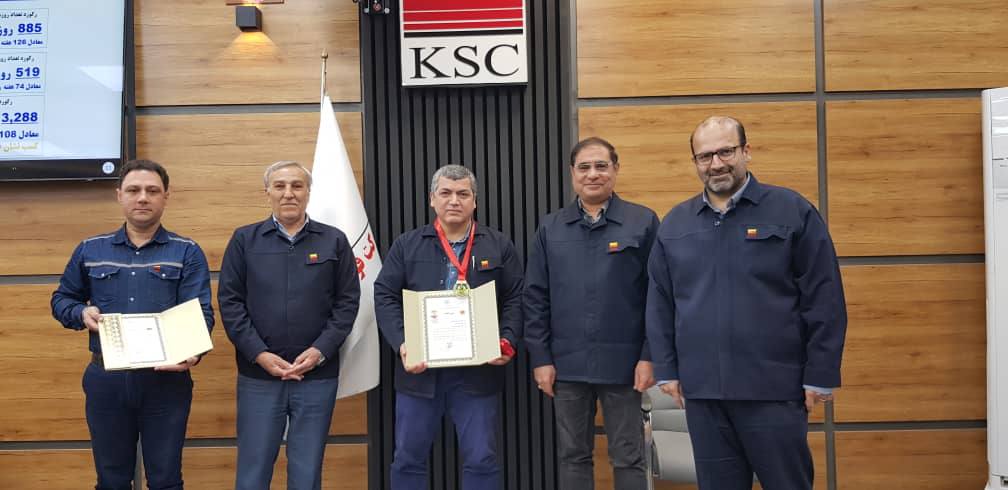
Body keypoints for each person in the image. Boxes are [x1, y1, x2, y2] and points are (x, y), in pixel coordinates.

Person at [646, 116, 847, 490]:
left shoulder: (791, 211)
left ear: (746, 151)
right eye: (705, 156)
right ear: (695, 162)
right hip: (704, 394)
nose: (716, 164)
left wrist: (821, 373)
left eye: (726, 152)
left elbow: (825, 297)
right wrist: (667, 370)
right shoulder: (675, 224)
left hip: (774, 390)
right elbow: (659, 304)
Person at [51, 159, 214, 490]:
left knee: (166, 480)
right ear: (119, 195)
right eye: (134, 190)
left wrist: (193, 353)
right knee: (111, 480)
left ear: (165, 196)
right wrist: (80, 313)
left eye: (152, 191)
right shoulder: (90, 249)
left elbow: (201, 313)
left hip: (165, 382)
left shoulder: (186, 251)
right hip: (107, 380)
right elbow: (62, 299)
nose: (142, 198)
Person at [374, 164, 523, 490]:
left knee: (482, 459)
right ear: (432, 199)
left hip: (478, 373)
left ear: (475, 201)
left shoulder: (498, 245)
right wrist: (403, 343)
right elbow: (384, 295)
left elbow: (515, 297)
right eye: (446, 193)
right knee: (408, 458)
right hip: (419, 373)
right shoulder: (407, 244)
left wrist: (507, 340)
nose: (454, 200)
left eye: (463, 194)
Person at [524, 137, 658, 489]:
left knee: (629, 456)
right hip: (566, 365)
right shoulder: (551, 228)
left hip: (625, 366)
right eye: (584, 167)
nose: (593, 174)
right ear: (572, 173)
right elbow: (535, 297)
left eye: (601, 166)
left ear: (616, 169)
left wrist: (649, 355)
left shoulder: (642, 222)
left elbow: (657, 296)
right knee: (573, 456)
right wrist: (541, 358)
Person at [217, 160, 361, 490]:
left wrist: (320, 351)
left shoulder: (334, 240)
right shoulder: (244, 240)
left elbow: (347, 303)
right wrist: (259, 354)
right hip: (259, 377)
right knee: (253, 471)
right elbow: (231, 303)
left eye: (297, 185)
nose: (288, 193)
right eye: (280, 186)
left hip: (316, 377)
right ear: (267, 192)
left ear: (309, 192)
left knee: (306, 472)